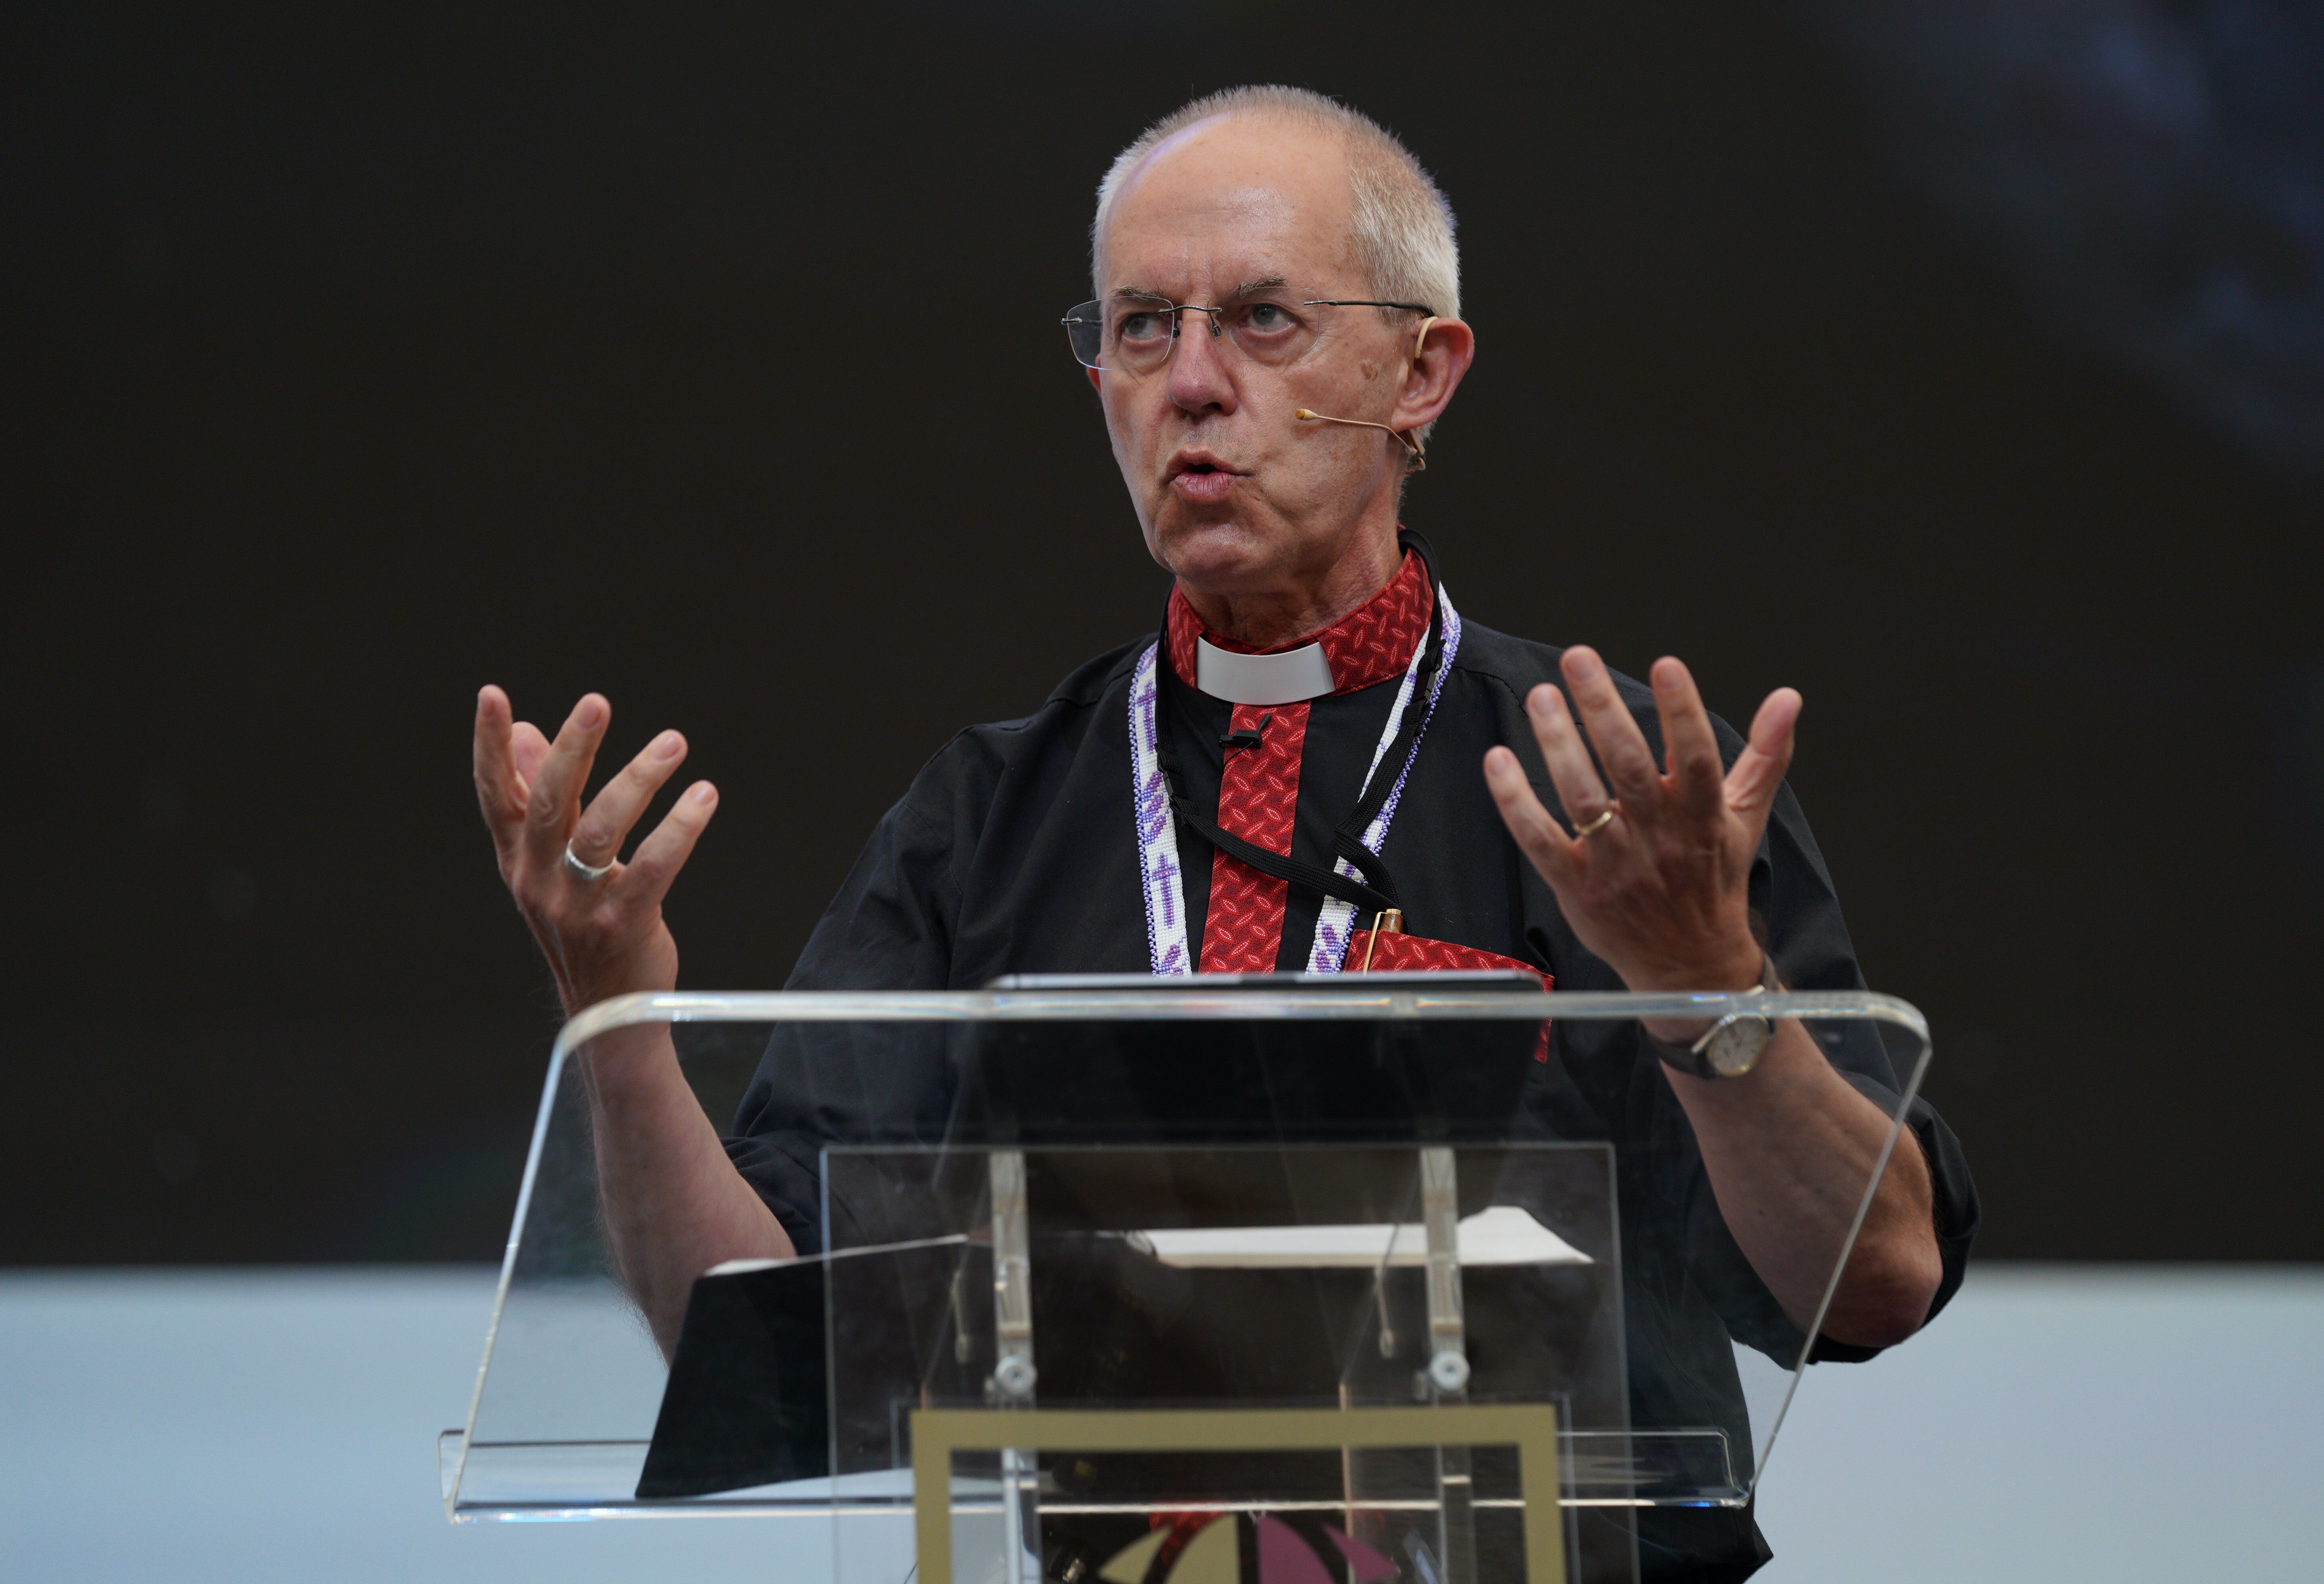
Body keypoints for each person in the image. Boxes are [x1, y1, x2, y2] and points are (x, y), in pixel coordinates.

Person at [473, 85, 1976, 1580]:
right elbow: (754, 1341)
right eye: (1141, 327)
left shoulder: (1627, 803)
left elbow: (1878, 1281)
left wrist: (1704, 980)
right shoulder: (988, 817)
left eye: (1262, 320)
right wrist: (616, 1011)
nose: (1191, 381)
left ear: (1421, 371)